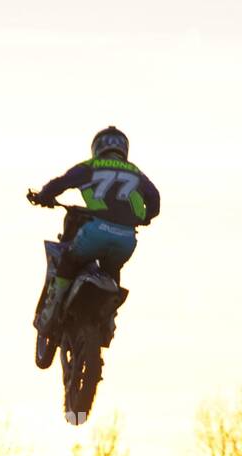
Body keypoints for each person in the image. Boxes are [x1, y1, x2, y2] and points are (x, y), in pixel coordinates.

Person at [27, 126, 160, 335]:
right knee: (112, 270)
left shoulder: (91, 167)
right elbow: (155, 198)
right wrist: (146, 217)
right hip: (127, 239)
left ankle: (52, 309)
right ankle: (108, 321)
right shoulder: (136, 172)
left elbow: (60, 183)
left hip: (96, 231)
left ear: (97, 147)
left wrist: (43, 196)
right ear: (124, 148)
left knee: (69, 260)